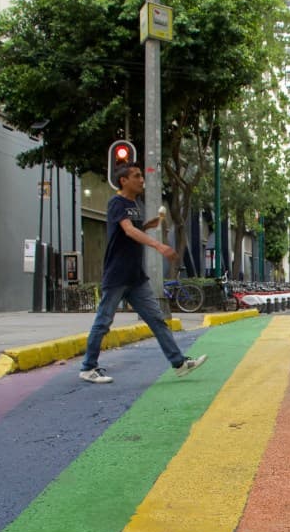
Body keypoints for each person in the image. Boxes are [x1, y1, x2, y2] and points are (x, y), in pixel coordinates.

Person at [79, 162, 207, 383]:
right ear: (124, 181)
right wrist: (159, 246)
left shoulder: (134, 203)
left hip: (136, 276)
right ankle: (88, 367)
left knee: (157, 319)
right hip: (117, 274)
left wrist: (150, 224)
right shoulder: (116, 202)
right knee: (103, 321)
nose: (141, 180)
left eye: (141, 176)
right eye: (136, 176)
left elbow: (134, 227)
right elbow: (128, 231)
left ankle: (179, 363)